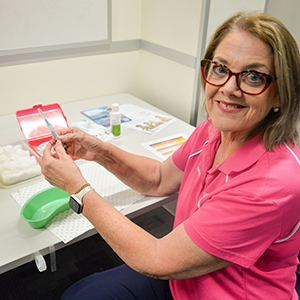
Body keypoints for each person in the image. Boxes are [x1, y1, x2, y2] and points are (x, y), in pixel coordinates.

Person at [38, 11, 300, 300]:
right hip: (184, 278)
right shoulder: (213, 129)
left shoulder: (271, 185)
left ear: (280, 94)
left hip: (221, 288)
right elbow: (159, 179)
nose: (228, 88)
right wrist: (99, 151)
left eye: (253, 76)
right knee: (79, 294)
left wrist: (77, 189)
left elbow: (156, 259)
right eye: (220, 68)